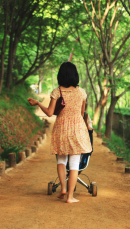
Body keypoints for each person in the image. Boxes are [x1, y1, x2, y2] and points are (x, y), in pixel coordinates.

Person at [28, 62, 92, 203]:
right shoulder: (81, 92)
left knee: (61, 160)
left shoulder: (57, 92)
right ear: (75, 75)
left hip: (62, 128)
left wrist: (38, 103)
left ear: (60, 76)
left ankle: (63, 188)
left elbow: (50, 113)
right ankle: (70, 197)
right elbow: (81, 114)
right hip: (77, 128)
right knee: (74, 163)